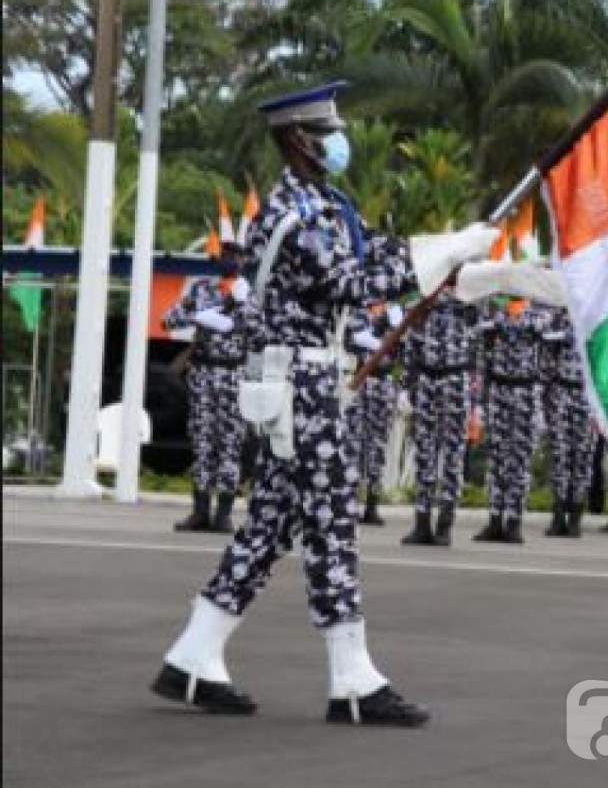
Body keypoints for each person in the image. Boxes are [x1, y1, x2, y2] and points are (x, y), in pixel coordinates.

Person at [150, 82, 431, 725]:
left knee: (271, 524)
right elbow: (345, 282)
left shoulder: (328, 204)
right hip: (297, 386)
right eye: (323, 131)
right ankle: (352, 678)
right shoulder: (288, 214)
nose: (337, 141)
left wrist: (450, 250)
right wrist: (431, 261)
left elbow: (374, 254)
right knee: (330, 520)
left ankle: (195, 654)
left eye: (335, 128)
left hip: (311, 383)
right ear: (292, 140)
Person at [162, 244, 260, 533]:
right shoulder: (201, 290)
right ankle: (200, 511)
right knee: (203, 442)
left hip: (232, 374)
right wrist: (204, 311)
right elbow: (168, 320)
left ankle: (224, 514)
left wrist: (238, 309)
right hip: (203, 374)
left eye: (234, 256)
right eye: (224, 256)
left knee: (230, 445)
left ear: (243, 261)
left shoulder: (247, 296)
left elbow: (259, 334)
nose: (228, 261)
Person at [398, 285, 478, 547]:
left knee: (453, 455)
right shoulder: (423, 303)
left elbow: (479, 355)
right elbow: (411, 346)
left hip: (456, 379)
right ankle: (421, 523)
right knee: (424, 454)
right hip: (426, 379)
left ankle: (445, 524)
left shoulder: (470, 303)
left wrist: (478, 403)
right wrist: (406, 387)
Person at [472, 296, 551, 543]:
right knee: (496, 461)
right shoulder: (495, 313)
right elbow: (477, 330)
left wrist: (511, 316)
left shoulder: (538, 314)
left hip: (526, 394)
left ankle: (514, 522)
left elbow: (539, 327)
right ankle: (495, 521)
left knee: (519, 461)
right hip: (499, 392)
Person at [342, 300, 403, 526]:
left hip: (384, 382)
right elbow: (357, 338)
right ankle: (348, 502)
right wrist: (383, 329)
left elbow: (401, 344)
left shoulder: (396, 314)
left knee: (378, 444)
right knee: (353, 443)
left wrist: (391, 327)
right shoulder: (357, 312)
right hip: (359, 382)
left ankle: (372, 504)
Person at [542, 307, 597, 538]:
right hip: (562, 391)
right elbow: (547, 358)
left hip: (588, 396)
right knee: (560, 456)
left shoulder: (600, 318)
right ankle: (558, 516)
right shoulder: (558, 317)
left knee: (582, 458)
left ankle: (575, 518)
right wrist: (547, 396)